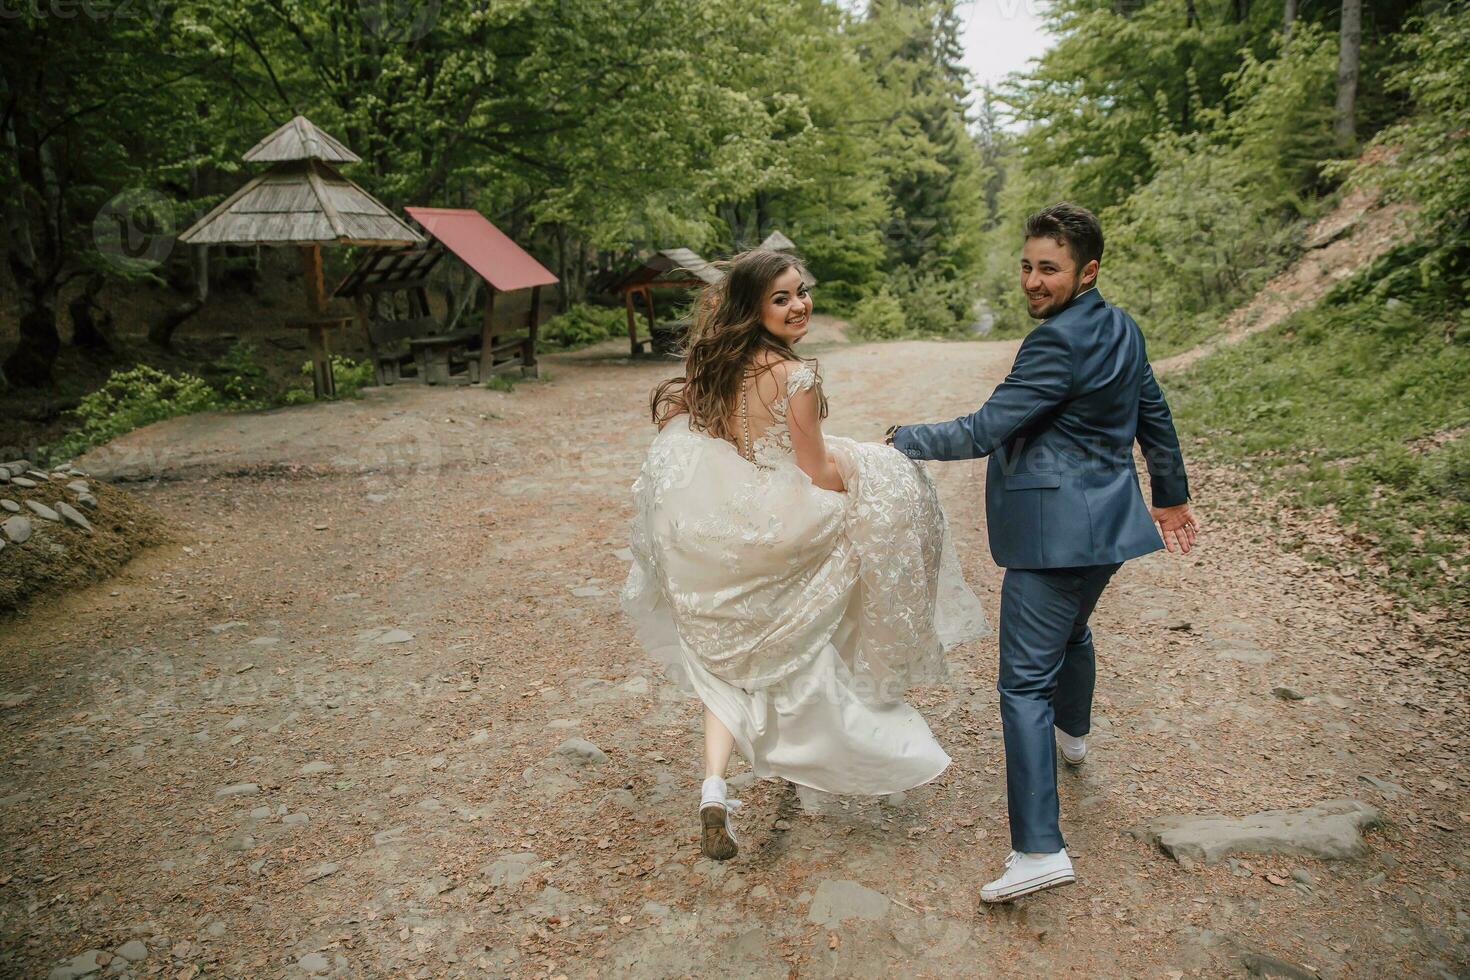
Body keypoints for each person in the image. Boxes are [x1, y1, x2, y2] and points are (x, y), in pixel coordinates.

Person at [620, 248, 989, 862]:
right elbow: (815, 468)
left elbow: (710, 442)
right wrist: (872, 477)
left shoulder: (716, 366)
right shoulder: (797, 376)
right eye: (782, 298)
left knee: (723, 666)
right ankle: (818, 741)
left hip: (721, 527)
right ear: (754, 308)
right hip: (781, 523)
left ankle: (715, 788)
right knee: (817, 613)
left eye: (801, 292)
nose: (799, 306)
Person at [887, 202, 1200, 903]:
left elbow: (985, 429)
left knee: (1023, 683)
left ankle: (1037, 848)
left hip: (1054, 537)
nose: (1032, 281)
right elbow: (1154, 410)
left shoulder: (1054, 343)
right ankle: (1075, 737)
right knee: (1072, 632)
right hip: (1107, 530)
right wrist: (1169, 492)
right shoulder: (1121, 325)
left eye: (1048, 270)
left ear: (1087, 270)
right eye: (1027, 266)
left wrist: (901, 438)